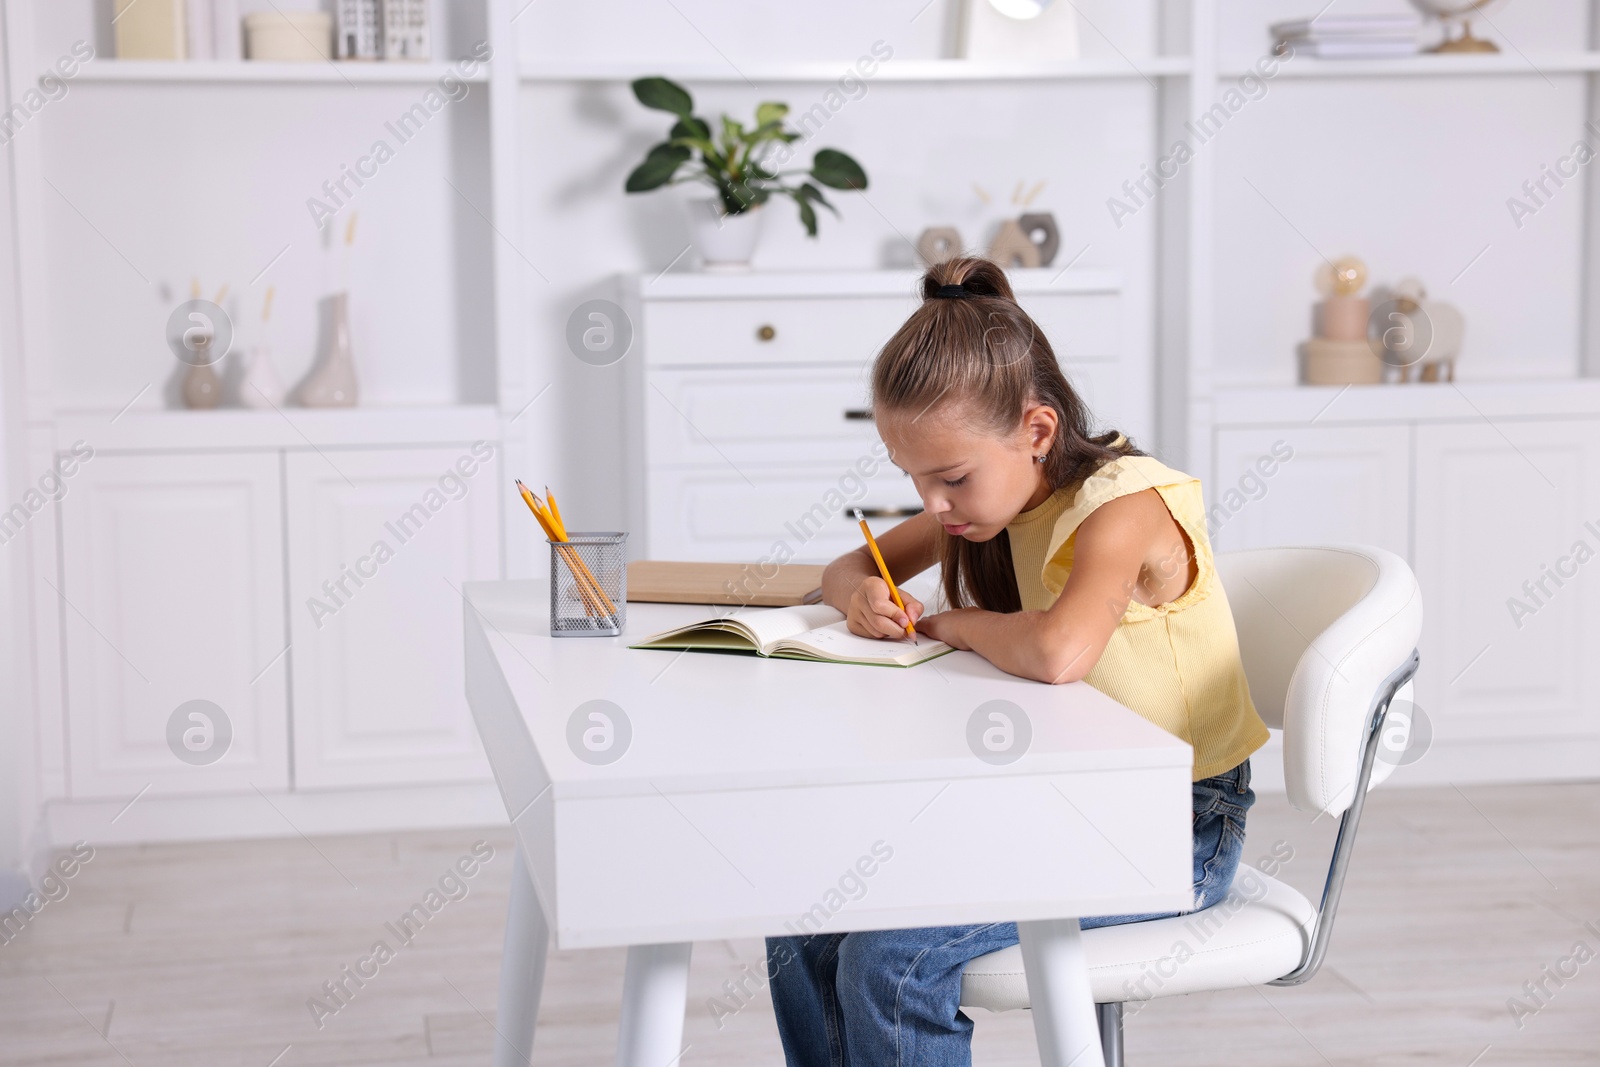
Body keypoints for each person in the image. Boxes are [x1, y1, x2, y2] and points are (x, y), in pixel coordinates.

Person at [764, 256, 1270, 1067]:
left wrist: (953, 623)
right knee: (807, 918)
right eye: (913, 478)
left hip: (1176, 826)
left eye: (950, 477)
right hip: (1060, 803)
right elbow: (846, 570)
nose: (932, 503)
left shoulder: (1124, 502)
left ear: (1035, 432)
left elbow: (1058, 650)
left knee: (891, 958)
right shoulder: (986, 502)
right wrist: (862, 596)